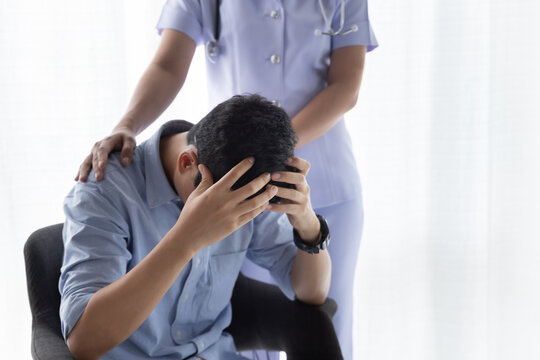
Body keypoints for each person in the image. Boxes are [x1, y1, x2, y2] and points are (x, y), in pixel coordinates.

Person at [75, 1, 378, 358]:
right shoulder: (110, 190)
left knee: (327, 321)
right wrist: (127, 124)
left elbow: (347, 85)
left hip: (277, 169)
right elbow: (167, 65)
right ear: (189, 162)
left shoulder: (252, 193)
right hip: (234, 162)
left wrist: (272, 165)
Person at [60, 95, 339, 359]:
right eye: (227, 208)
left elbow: (311, 293)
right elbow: (84, 341)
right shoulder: (103, 191)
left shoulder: (247, 179)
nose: (239, 216)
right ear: (187, 162)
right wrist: (185, 240)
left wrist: (307, 223)